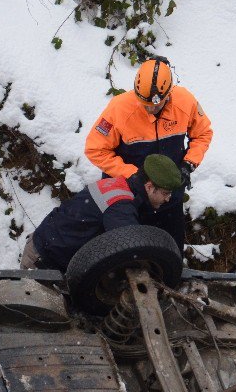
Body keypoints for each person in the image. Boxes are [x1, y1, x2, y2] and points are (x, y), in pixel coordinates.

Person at [84, 56, 212, 252]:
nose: (151, 109)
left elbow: (203, 134)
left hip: (169, 196)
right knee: (125, 253)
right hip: (128, 200)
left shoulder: (185, 101)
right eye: (145, 104)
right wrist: (133, 175)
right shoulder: (119, 108)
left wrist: (189, 164)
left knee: (171, 251)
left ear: (169, 93)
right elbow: (95, 149)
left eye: (156, 105)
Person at [20, 155, 182, 272]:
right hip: (42, 262)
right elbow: (131, 252)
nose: (168, 199)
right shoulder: (121, 207)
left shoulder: (118, 184)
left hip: (46, 245)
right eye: (165, 193)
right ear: (148, 186)